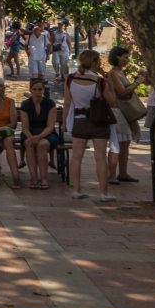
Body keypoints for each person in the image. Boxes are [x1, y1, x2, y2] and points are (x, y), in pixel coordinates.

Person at [66, 49, 111, 201]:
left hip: (79, 120)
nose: (100, 65)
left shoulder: (70, 79)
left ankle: (76, 190)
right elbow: (111, 101)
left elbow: (67, 103)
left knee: (77, 157)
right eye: (98, 62)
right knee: (100, 157)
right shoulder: (100, 81)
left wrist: (66, 122)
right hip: (98, 121)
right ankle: (103, 193)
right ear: (93, 63)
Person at [105, 46, 139, 188]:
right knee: (117, 143)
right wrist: (138, 82)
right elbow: (122, 92)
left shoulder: (120, 72)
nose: (127, 59)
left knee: (125, 143)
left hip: (124, 111)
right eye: (125, 57)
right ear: (117, 57)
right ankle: (112, 174)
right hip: (117, 111)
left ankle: (123, 173)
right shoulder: (113, 73)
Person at [19, 77, 62, 189]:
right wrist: (31, 137)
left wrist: (39, 136)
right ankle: (33, 178)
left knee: (42, 144)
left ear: (43, 90)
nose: (38, 92)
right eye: (35, 89)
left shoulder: (50, 104)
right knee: (29, 143)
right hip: (30, 133)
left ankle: (43, 179)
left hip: (47, 134)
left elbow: (50, 126)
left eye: (40, 89)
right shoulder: (25, 105)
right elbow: (25, 127)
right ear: (31, 90)